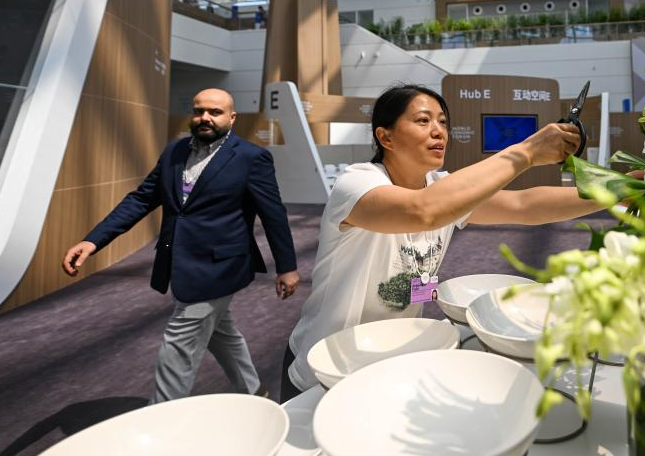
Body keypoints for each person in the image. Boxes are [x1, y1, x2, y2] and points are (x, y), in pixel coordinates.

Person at [282, 84, 607, 399]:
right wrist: (526, 152)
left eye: (442, 122)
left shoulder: (440, 186)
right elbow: (422, 211)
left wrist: (616, 190)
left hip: (390, 359)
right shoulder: (357, 183)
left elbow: (524, 205)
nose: (439, 131)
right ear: (386, 137)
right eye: (423, 121)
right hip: (325, 367)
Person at [62, 88, 300, 404]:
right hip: (180, 261)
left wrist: (287, 267)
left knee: (178, 344)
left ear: (232, 118)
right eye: (199, 111)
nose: (205, 118)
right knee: (221, 332)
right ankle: (255, 392)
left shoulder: (250, 158)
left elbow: (273, 214)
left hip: (220, 267)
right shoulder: (174, 152)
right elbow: (141, 199)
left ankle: (162, 417)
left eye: (214, 112)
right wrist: (93, 240)